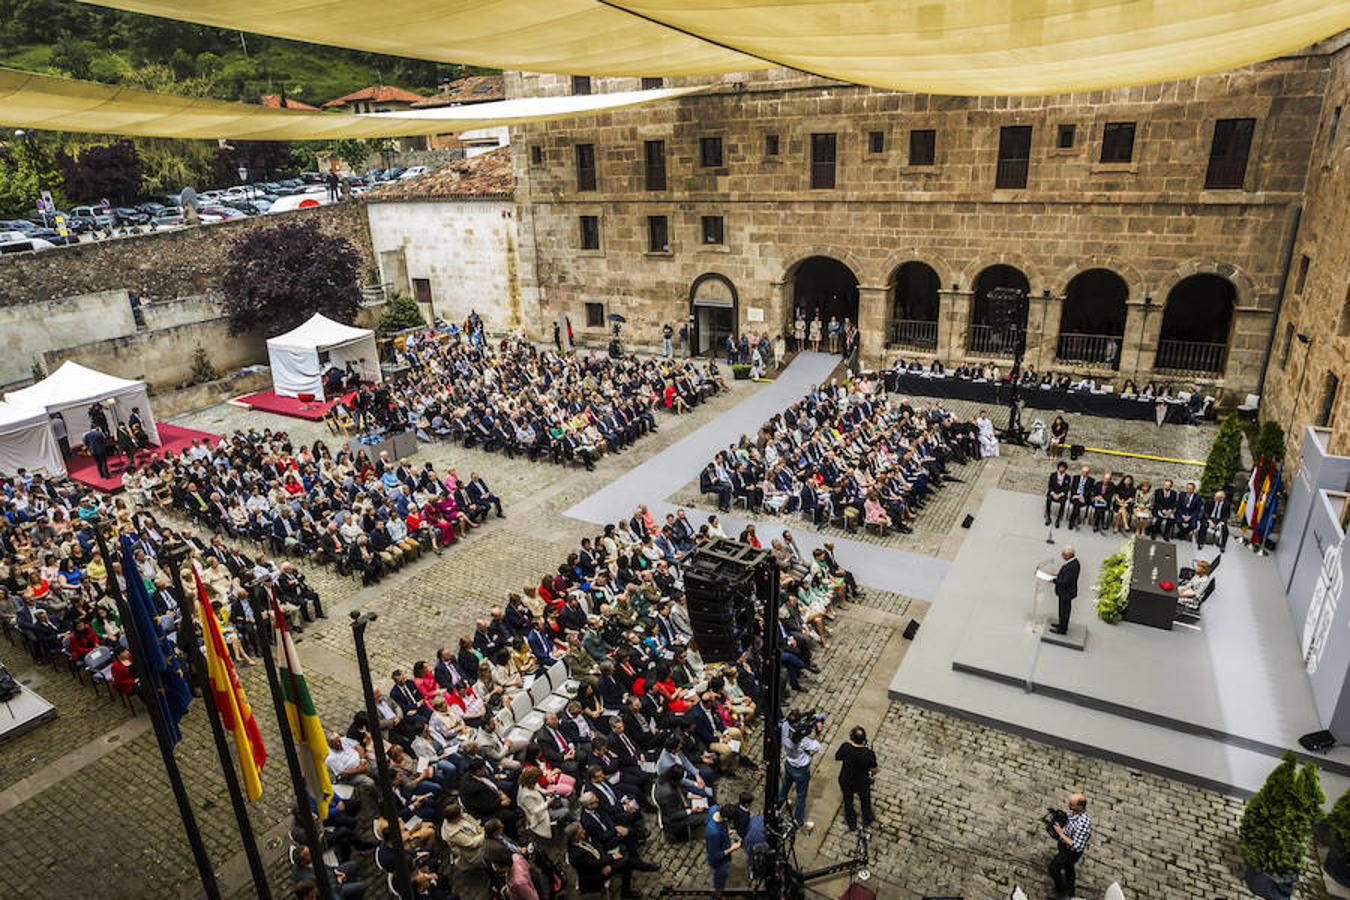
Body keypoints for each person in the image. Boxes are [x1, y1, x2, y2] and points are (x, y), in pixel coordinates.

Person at [780, 709, 823, 828]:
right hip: (800, 770)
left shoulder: (785, 726)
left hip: (789, 763)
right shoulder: (803, 741)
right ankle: (798, 820)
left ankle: (778, 805)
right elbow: (817, 747)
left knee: (785, 787)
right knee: (801, 796)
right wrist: (818, 732)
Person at [1048, 792, 1092, 898]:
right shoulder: (1074, 811)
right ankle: (1070, 889)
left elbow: (1076, 846)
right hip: (1064, 845)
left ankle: (1063, 892)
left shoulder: (1083, 824)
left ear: (1080, 806)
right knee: (1069, 867)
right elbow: (1068, 820)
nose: (1069, 806)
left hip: (1071, 852)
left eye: (1072, 805)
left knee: (1053, 868)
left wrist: (1060, 833)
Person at [834, 725, 878, 831]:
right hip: (862, 782)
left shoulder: (845, 747)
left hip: (846, 779)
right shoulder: (868, 754)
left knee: (848, 800)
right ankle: (866, 819)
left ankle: (852, 823)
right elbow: (874, 770)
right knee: (865, 799)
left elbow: (837, 757)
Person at [705, 804, 740, 892]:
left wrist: (727, 832)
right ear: (726, 819)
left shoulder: (714, 808)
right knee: (718, 882)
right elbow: (715, 856)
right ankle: (716, 894)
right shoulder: (714, 833)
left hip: (720, 842)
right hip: (720, 863)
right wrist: (732, 848)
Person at [1051, 546, 1079, 635]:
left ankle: (1062, 629)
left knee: (1064, 611)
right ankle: (1061, 624)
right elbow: (1065, 575)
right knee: (1062, 610)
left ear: (1068, 556)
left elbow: (1065, 582)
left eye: (1063, 554)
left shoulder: (1071, 566)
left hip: (1066, 592)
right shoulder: (1073, 562)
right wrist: (1058, 574)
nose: (1061, 556)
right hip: (1065, 592)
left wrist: (1054, 580)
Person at [1045, 461, 1071, 528]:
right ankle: (1048, 517)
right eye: (1060, 467)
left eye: (1063, 468)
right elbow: (1050, 486)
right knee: (1048, 500)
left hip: (1061, 494)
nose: (1061, 469)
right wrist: (1053, 494)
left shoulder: (1068, 477)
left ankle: (1058, 519)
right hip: (1053, 493)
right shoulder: (1053, 475)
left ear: (1065, 469)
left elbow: (1066, 488)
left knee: (1063, 502)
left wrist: (1059, 495)